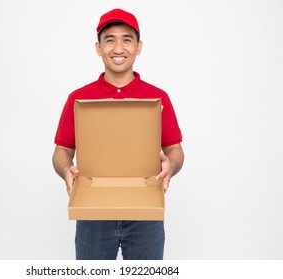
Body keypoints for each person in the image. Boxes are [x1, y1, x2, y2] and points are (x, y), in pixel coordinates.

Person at [52, 8, 184, 260]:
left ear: (139, 46)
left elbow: (175, 150)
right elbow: (62, 152)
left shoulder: (158, 97)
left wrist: (172, 166)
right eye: (109, 40)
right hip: (93, 211)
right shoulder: (78, 99)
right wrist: (66, 170)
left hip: (145, 210)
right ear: (98, 48)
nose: (118, 48)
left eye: (127, 39)